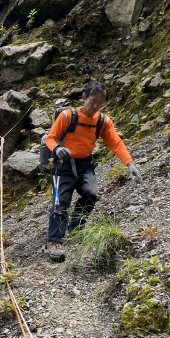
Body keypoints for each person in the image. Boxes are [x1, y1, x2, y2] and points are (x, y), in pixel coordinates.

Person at [45, 81, 142, 261]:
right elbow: (50, 138)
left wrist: (130, 163)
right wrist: (57, 149)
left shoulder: (102, 121)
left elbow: (116, 143)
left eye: (100, 102)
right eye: (92, 100)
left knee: (90, 195)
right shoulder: (67, 116)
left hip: (85, 165)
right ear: (84, 97)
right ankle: (54, 242)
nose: (95, 106)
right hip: (63, 165)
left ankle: (76, 227)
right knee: (60, 202)